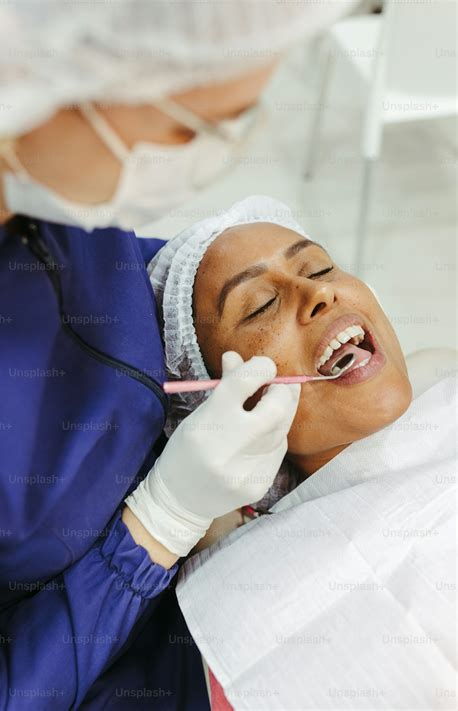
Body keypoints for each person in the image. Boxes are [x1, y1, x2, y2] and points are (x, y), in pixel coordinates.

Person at [0, 2, 360, 708]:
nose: (321, 298)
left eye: (319, 268)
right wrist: (156, 528)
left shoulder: (48, 195)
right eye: (193, 128)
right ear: (58, 90)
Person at [146, 196, 456, 707]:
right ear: (221, 398)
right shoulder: (249, 604)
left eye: (319, 266)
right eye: (261, 305)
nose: (317, 292)